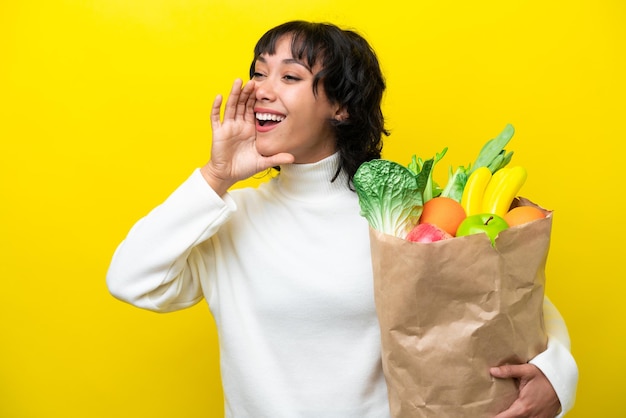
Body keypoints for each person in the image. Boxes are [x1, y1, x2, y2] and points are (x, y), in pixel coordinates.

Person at [106, 20, 578, 418]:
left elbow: (508, 296)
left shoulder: (398, 215)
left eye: (289, 77)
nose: (261, 90)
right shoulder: (230, 219)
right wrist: (215, 177)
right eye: (257, 73)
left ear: (341, 106)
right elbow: (130, 279)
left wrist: (559, 374)